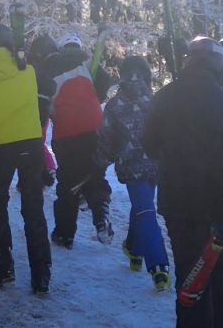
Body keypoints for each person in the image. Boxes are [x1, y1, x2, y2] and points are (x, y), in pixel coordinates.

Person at [143, 36, 223, 328]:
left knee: (191, 275)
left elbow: (148, 144)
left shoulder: (165, 95)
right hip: (220, 203)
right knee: (222, 273)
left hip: (179, 200)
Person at [0, 23, 53, 295]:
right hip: (30, 146)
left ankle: (3, 264)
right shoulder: (30, 72)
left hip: (1, 149)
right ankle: (41, 273)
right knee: (33, 207)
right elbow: (47, 93)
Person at [96, 54, 171, 291]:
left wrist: (100, 163)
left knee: (143, 207)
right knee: (146, 208)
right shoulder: (157, 100)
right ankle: (158, 264)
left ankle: (135, 248)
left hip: (135, 164)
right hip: (155, 163)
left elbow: (105, 139)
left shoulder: (114, 105)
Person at [44, 31, 115, 249]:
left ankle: (65, 234)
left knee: (68, 182)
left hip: (66, 130)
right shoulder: (89, 64)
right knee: (94, 174)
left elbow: (43, 93)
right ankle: (101, 214)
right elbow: (105, 82)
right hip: (94, 126)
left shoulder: (50, 65)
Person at [27, 33, 59, 187]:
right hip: (45, 106)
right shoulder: (53, 63)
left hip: (33, 105)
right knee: (37, 140)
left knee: (34, 141)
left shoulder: (30, 63)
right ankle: (44, 171)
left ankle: (47, 168)